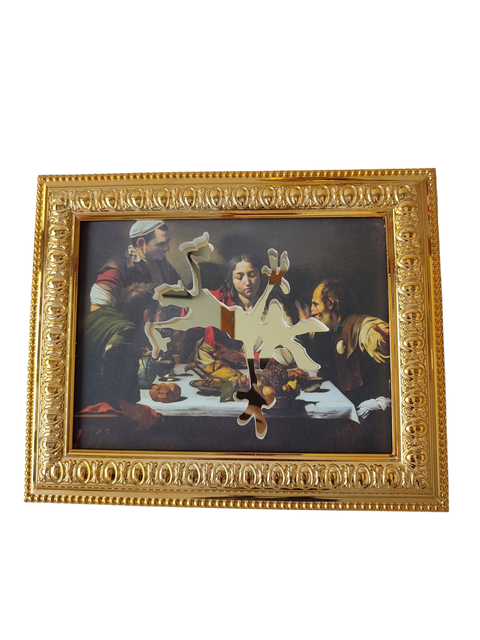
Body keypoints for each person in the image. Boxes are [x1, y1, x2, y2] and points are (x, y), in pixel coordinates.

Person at [295, 279, 391, 448]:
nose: (312, 311)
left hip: (368, 414)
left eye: (315, 304)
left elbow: (370, 332)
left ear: (330, 304)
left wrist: (383, 340)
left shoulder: (356, 324)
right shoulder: (332, 329)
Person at [76, 283, 165, 433]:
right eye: (159, 315)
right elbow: (113, 353)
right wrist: (127, 407)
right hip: (92, 416)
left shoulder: (103, 315)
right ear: (146, 315)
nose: (160, 323)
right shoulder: (128, 332)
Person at [90, 220, 182, 311]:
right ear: (141, 243)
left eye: (167, 242)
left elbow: (180, 291)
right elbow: (98, 312)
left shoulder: (161, 262)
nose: (167, 248)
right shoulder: (114, 270)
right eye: (161, 244)